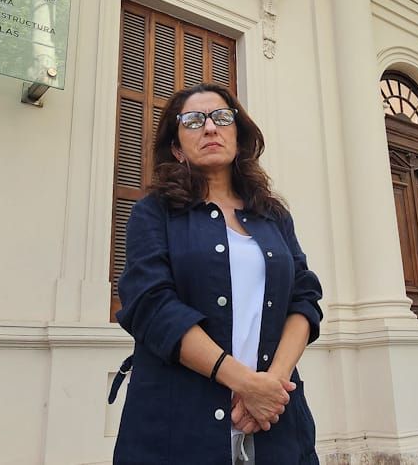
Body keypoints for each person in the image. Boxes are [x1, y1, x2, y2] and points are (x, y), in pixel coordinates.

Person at [112, 83, 323, 464]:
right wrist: (244, 383)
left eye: (222, 118)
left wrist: (271, 387)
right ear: (177, 148)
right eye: (193, 121)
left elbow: (304, 297)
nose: (210, 127)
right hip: (178, 426)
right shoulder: (153, 213)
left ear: (238, 137)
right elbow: (151, 307)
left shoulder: (273, 215)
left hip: (275, 423)